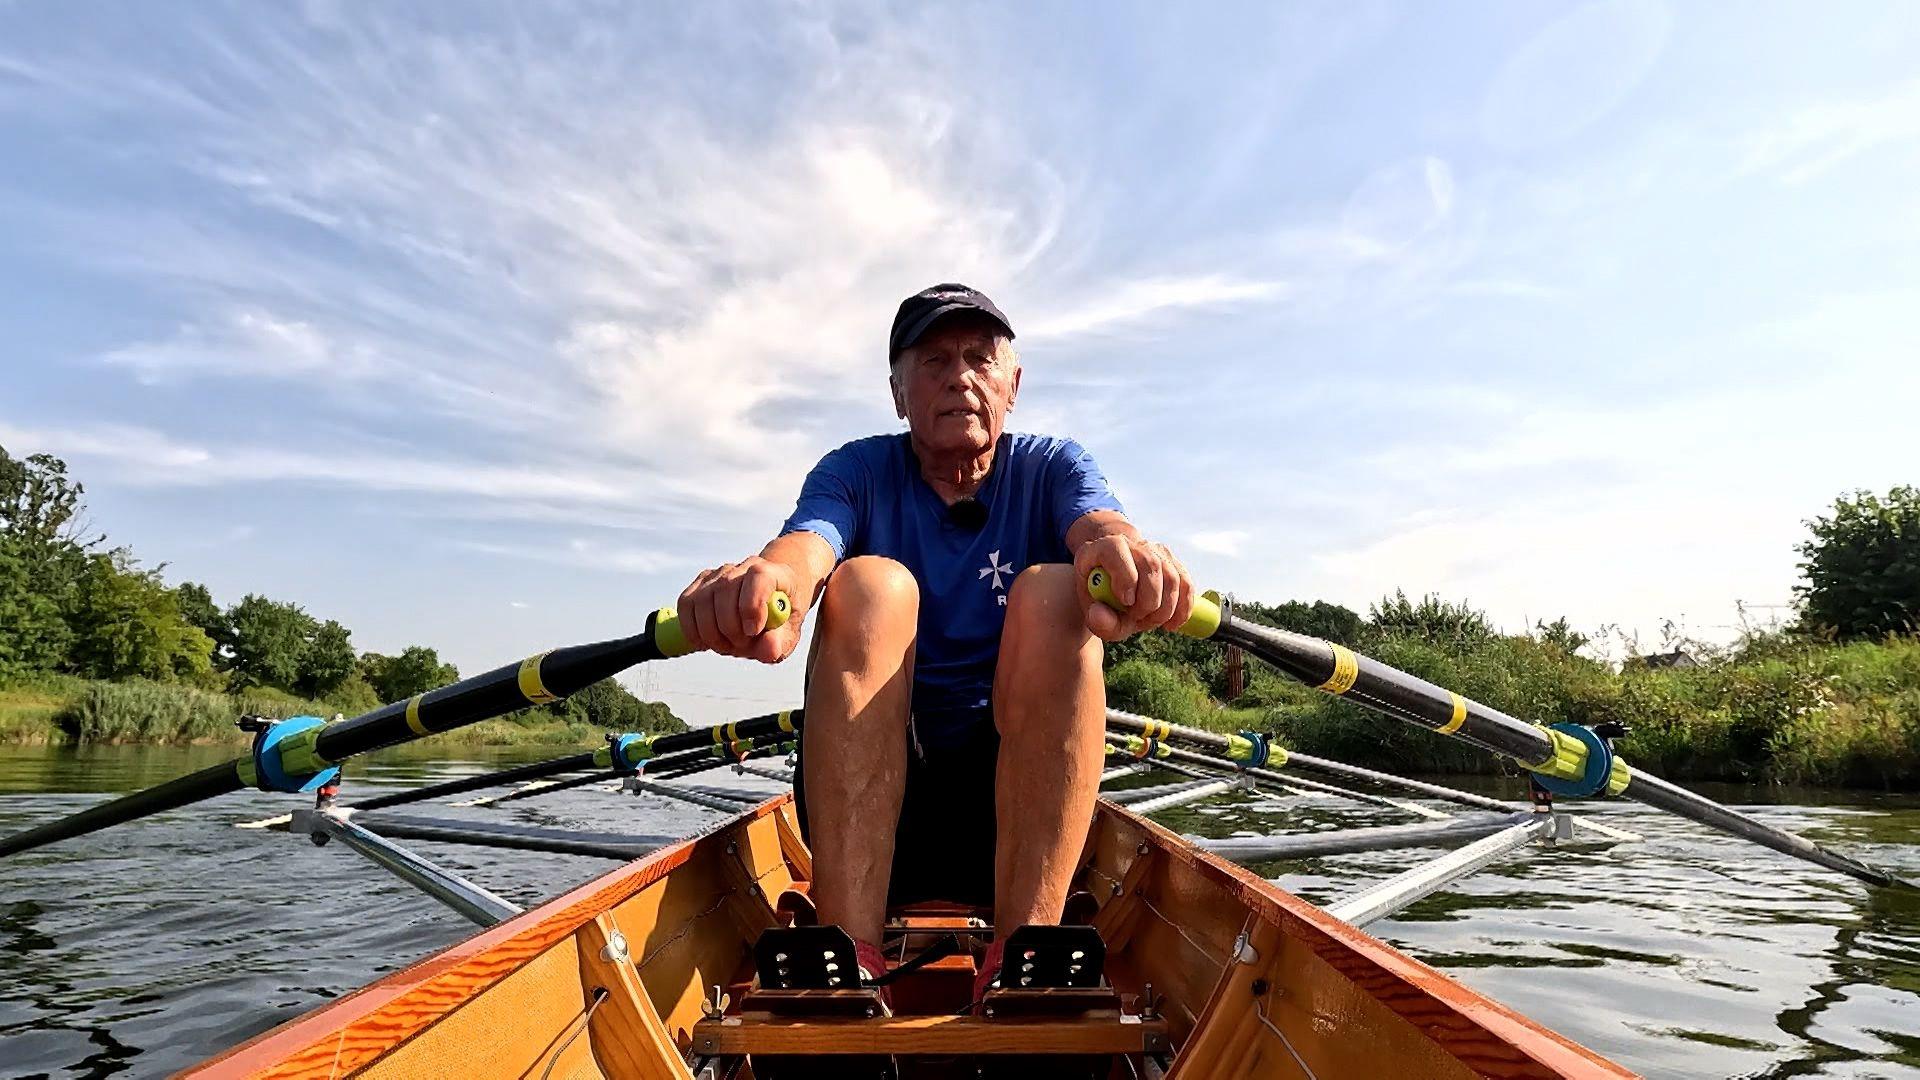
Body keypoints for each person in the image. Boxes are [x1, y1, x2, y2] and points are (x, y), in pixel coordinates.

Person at [673, 283, 1194, 1002]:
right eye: (934, 361)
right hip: (873, 815)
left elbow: (1101, 530)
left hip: (1021, 815)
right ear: (897, 392)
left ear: (1013, 386)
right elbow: (802, 553)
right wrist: (770, 591)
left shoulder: (1054, 466)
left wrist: (1126, 556)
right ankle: (848, 956)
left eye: (981, 359)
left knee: (1053, 592)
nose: (959, 377)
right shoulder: (855, 470)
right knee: (870, 585)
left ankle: (1026, 954)